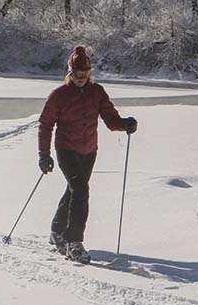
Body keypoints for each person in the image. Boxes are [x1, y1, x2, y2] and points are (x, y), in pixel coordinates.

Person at [37, 46, 137, 264]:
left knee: (74, 190)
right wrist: (44, 154)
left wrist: (124, 124)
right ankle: (74, 242)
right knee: (81, 190)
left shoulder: (97, 92)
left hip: (89, 150)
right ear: (70, 72)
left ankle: (56, 231)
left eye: (85, 74)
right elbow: (45, 125)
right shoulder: (59, 95)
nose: (81, 78)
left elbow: (110, 118)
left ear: (90, 73)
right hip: (66, 149)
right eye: (77, 74)